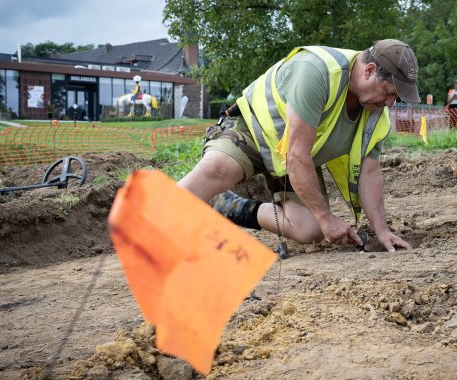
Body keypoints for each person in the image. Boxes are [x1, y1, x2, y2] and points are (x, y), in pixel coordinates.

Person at [179, 39, 420, 253]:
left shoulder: (376, 115)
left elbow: (369, 173)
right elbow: (296, 154)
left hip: (292, 158)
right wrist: (327, 217)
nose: (389, 104)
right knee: (217, 168)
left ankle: (228, 205)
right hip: (253, 130)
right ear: (369, 70)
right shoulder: (317, 72)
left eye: (395, 99)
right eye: (389, 93)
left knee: (310, 230)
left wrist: (382, 231)